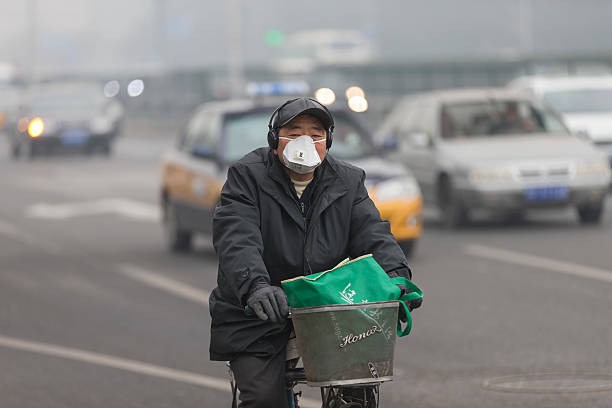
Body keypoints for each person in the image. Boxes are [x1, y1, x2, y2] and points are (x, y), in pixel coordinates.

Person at [209, 97, 421, 408]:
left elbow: (373, 234)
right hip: (260, 312)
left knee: (357, 393)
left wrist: (397, 278)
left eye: (315, 134)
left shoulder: (348, 180)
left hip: (330, 309)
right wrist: (255, 287)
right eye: (293, 134)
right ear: (274, 140)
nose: (305, 142)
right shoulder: (247, 176)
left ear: (328, 141)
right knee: (263, 399)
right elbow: (236, 238)